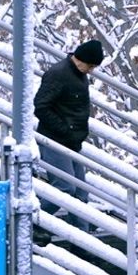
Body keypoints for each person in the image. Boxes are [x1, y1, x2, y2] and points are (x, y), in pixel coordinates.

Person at [34, 40, 105, 238]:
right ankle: (29, 217)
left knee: (81, 192)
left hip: (71, 141)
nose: (91, 71)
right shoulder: (58, 74)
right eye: (90, 66)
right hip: (55, 139)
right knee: (65, 188)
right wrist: (65, 129)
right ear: (80, 59)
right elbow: (40, 105)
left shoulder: (78, 74)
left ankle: (80, 238)